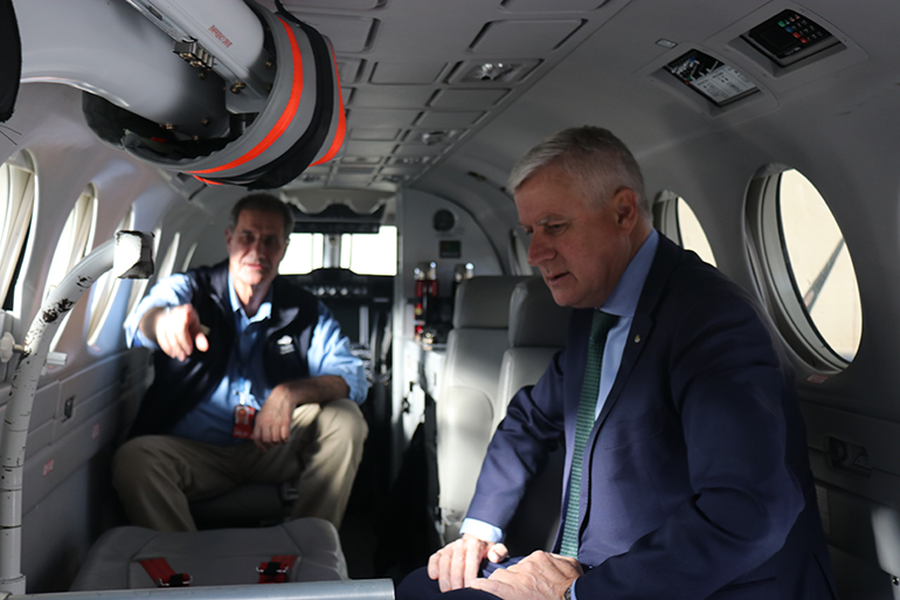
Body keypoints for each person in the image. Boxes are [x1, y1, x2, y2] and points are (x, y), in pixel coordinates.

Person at [398, 127, 836, 599]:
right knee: (422, 586)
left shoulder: (710, 320)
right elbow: (530, 417)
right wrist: (480, 531)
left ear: (623, 211)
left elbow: (749, 511)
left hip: (686, 586)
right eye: (529, 232)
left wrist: (577, 594)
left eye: (555, 226)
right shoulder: (596, 313)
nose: (535, 253)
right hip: (590, 571)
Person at [112, 193, 368, 532]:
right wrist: (163, 324)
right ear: (230, 238)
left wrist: (287, 394)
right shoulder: (192, 288)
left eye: (271, 241)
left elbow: (354, 378)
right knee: (134, 459)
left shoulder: (306, 310)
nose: (257, 250)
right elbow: (141, 322)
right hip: (198, 451)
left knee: (345, 418)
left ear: (285, 248)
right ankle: (179, 569)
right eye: (248, 237)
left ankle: (308, 545)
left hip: (273, 446)